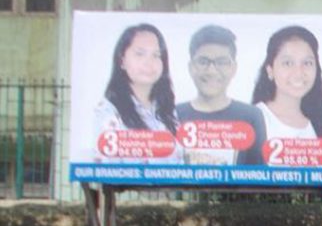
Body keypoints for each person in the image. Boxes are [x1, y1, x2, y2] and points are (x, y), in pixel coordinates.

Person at [176, 25, 266, 165]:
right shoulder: (172, 114)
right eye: (203, 61)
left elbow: (259, 177)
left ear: (233, 68)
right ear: (191, 67)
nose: (211, 71)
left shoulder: (251, 116)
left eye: (222, 62)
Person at [94, 24, 183, 163]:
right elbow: (107, 171)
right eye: (140, 54)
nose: (149, 63)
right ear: (122, 61)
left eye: (156, 55)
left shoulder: (168, 111)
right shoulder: (108, 112)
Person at [251, 25, 322, 141]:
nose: (298, 73)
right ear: (270, 70)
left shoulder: (319, 124)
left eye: (307, 63)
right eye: (288, 63)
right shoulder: (254, 120)